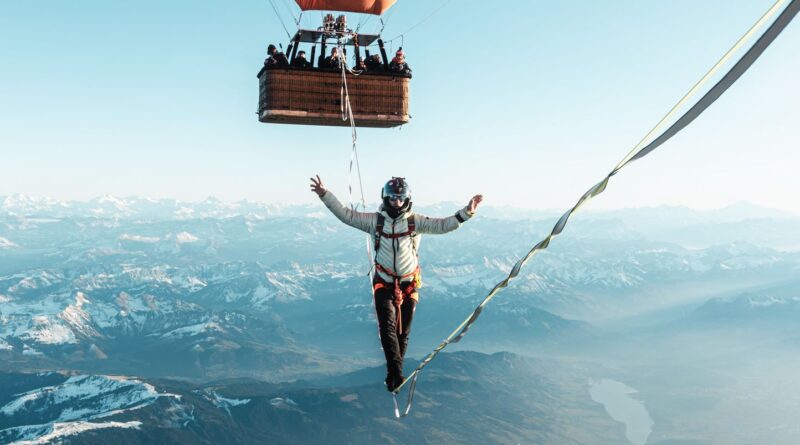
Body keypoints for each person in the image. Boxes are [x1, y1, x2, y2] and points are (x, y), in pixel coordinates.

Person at [310, 175, 483, 392]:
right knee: (387, 327)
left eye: (400, 198)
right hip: (384, 282)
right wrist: (325, 195)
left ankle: (395, 373)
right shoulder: (375, 221)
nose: (396, 202)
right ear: (385, 198)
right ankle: (395, 374)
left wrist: (466, 213)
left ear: (407, 198)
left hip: (408, 284)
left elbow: (443, 225)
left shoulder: (415, 222)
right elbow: (346, 215)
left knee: (403, 332)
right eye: (392, 198)